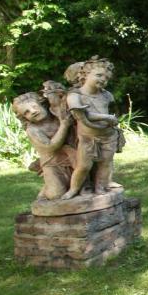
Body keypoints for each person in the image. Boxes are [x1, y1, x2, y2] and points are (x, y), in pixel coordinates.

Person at [61, 57, 123, 199]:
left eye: (106, 78)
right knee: (84, 166)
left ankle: (101, 189)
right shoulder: (75, 95)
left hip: (108, 136)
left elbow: (111, 111)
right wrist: (106, 118)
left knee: (105, 163)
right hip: (88, 138)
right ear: (84, 75)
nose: (103, 80)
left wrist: (112, 120)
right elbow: (83, 114)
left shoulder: (106, 95)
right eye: (99, 75)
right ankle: (73, 189)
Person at [12, 92, 75, 200]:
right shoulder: (33, 130)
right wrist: (64, 125)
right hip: (53, 164)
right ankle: (45, 190)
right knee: (56, 195)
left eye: (34, 107)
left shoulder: (57, 116)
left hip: (73, 158)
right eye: (26, 112)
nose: (33, 112)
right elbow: (50, 147)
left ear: (42, 104)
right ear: (25, 118)